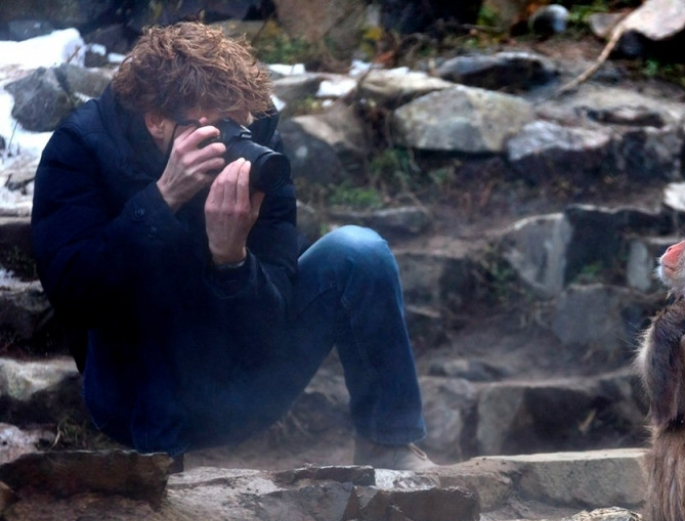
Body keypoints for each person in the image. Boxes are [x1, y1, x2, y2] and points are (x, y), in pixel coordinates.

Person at [31, 22, 435, 471]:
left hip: (242, 383)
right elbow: (72, 293)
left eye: (239, 125)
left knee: (360, 251)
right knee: (156, 267)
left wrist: (233, 261)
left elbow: (274, 313)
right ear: (157, 122)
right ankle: (161, 473)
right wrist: (161, 203)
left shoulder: (259, 146)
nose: (236, 141)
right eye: (217, 128)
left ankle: (389, 445)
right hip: (131, 399)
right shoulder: (80, 148)